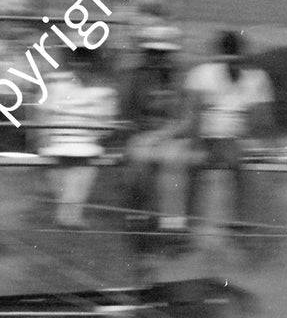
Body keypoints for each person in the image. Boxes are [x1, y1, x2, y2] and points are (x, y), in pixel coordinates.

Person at [181, 29, 273, 230]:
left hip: (235, 141)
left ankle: (237, 222)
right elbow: (193, 117)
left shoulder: (255, 78)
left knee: (244, 162)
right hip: (210, 140)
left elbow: (261, 121)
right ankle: (192, 223)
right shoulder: (202, 75)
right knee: (193, 164)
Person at [35, 48, 117, 228]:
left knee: (79, 171)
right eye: (78, 60)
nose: (81, 66)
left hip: (84, 144)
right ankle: (68, 217)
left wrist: (94, 134)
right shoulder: (55, 82)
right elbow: (42, 113)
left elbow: (105, 126)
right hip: (58, 142)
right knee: (71, 179)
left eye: (86, 61)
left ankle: (68, 217)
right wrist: (44, 136)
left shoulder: (103, 90)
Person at [119, 23, 186, 232]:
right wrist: (143, 134)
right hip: (142, 134)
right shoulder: (134, 78)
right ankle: (138, 215)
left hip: (173, 135)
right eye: (153, 52)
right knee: (139, 159)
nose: (158, 57)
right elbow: (127, 112)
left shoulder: (180, 78)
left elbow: (185, 117)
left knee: (173, 160)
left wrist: (163, 135)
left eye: (163, 53)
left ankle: (172, 223)